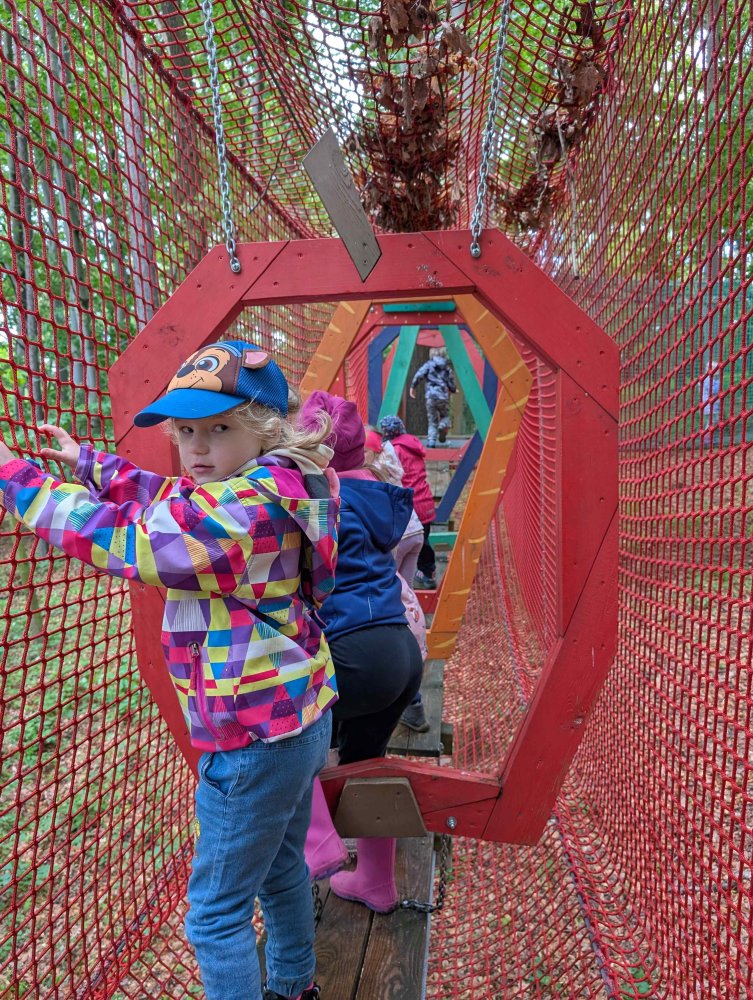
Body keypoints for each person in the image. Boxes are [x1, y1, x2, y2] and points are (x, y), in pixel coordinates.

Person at [0, 340, 341, 1000]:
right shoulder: (278, 484)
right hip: (297, 714)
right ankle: (295, 984)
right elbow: (172, 499)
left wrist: (16, 478)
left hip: (251, 738)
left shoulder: (239, 513)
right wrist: (90, 464)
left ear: (265, 429)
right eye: (186, 431)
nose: (197, 447)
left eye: (219, 429)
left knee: (215, 916)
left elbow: (133, 537)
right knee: (279, 871)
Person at [299, 391, 423, 913]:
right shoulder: (377, 496)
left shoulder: (315, 499)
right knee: (367, 760)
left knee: (280, 727)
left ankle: (317, 843)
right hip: (400, 652)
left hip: (350, 650)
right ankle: (375, 881)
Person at [364, 427, 430, 733]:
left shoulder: (367, 473)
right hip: (413, 529)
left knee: (390, 602)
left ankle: (405, 698)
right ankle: (414, 701)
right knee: (406, 598)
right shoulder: (390, 460)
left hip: (396, 537)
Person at [379, 414, 437, 590]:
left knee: (413, 542)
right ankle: (427, 573)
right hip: (425, 500)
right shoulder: (412, 444)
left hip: (411, 504)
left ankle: (424, 575)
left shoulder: (394, 450)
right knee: (424, 540)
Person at [409, 347, 457, 447]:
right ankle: (442, 426)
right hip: (442, 397)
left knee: (432, 421)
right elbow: (451, 383)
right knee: (445, 416)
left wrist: (413, 387)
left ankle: (431, 442)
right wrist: (453, 389)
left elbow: (419, 375)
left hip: (430, 396)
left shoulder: (428, 365)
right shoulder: (446, 368)